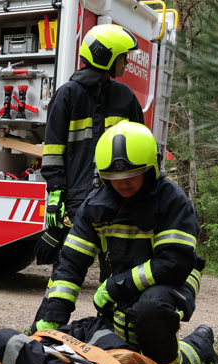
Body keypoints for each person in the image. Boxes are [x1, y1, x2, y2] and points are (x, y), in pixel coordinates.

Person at [33, 121, 218, 364]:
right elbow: (70, 266)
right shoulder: (95, 206)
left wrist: (115, 287)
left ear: (151, 168)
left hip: (174, 278)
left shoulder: (171, 201)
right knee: (126, 358)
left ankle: (201, 348)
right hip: (124, 281)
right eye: (114, 177)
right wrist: (50, 320)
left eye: (132, 175)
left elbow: (174, 263)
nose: (123, 183)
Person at [34, 24, 145, 321]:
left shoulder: (125, 97)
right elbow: (54, 150)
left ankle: (115, 335)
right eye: (123, 57)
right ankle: (44, 330)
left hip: (116, 200)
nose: (127, 62)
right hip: (76, 202)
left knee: (118, 273)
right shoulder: (67, 95)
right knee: (66, 273)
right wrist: (56, 196)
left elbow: (141, 148)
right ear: (105, 57)